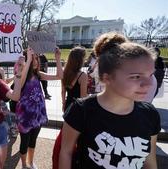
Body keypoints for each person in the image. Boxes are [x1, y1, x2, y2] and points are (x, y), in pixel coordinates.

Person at [59, 32, 160, 169]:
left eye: (150, 74)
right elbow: (66, 152)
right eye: (136, 76)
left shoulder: (150, 114)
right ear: (107, 77)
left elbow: (149, 160)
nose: (149, 83)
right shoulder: (81, 111)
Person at [17, 48, 63, 169]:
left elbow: (59, 76)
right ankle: (23, 165)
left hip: (38, 114)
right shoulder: (21, 75)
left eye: (37, 58)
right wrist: (28, 59)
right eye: (33, 58)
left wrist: (58, 58)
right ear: (28, 60)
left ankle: (31, 162)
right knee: (24, 142)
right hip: (25, 116)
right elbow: (20, 84)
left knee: (33, 141)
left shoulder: (39, 75)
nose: (36, 61)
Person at [61, 46, 88, 112]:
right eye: (84, 57)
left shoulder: (64, 73)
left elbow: (63, 91)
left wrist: (64, 103)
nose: (85, 59)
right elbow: (83, 97)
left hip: (68, 105)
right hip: (78, 108)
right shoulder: (83, 76)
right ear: (80, 60)